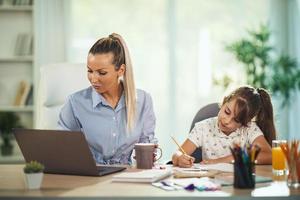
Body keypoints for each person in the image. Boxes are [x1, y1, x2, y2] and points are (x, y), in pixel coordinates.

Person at [58, 33, 157, 165]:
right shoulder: (75, 103)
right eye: (90, 71)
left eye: (102, 73)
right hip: (89, 177)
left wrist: (150, 155)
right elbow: (62, 149)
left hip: (127, 177)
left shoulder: (143, 100)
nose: (93, 79)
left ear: (120, 70)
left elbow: (147, 144)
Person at [172, 86, 276, 167]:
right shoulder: (203, 128)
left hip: (239, 185)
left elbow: (270, 156)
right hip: (210, 188)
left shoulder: (249, 129)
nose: (227, 121)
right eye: (227, 112)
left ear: (245, 123)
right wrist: (180, 158)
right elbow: (176, 155)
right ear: (224, 101)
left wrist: (224, 160)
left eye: (236, 120)